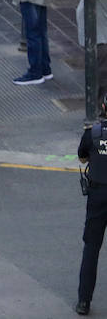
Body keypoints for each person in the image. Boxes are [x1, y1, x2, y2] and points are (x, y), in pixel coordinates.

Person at [78, 100, 107, 314]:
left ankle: (84, 302)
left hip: (97, 194)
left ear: (104, 108)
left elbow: (82, 156)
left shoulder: (92, 133)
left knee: (91, 248)